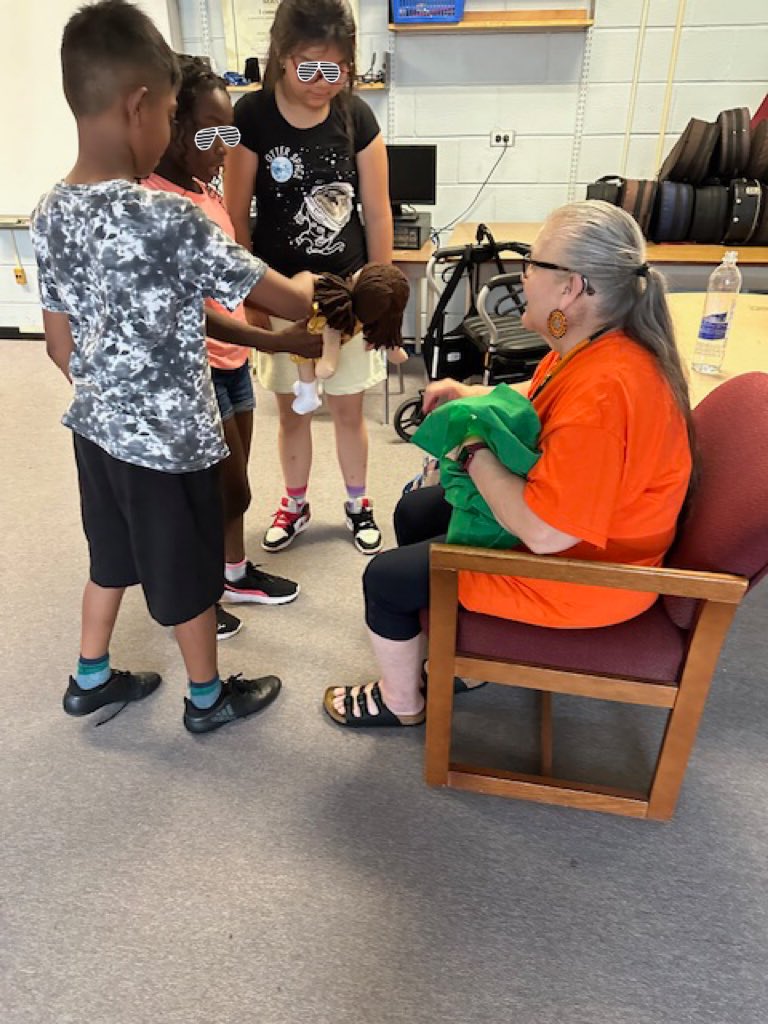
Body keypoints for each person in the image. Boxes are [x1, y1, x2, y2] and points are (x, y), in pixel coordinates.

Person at [31, 0, 319, 735]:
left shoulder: (50, 210)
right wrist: (317, 288)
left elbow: (57, 344)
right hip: (171, 444)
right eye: (167, 113)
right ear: (140, 107)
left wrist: (111, 399)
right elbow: (281, 297)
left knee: (110, 556)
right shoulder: (170, 219)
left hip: (94, 433)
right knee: (188, 576)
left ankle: (90, 677)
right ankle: (206, 698)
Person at [323, 200, 694, 728]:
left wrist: (471, 449)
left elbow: (545, 534)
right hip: (590, 545)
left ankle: (400, 702)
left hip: (585, 576)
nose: (523, 275)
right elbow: (542, 395)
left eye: (532, 264)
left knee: (384, 579)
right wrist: (470, 392)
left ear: (571, 286)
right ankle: (457, 653)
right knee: (415, 513)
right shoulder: (598, 346)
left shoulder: (607, 394)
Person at [144, 54, 315, 641]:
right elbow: (193, 317)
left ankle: (235, 572)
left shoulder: (203, 188)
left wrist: (261, 331)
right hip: (196, 371)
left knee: (236, 482)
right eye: (209, 134)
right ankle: (200, 594)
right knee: (212, 492)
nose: (224, 148)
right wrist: (275, 335)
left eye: (230, 133)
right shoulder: (161, 205)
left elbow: (236, 277)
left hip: (233, 363)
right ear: (171, 129)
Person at [224, 0, 394, 556]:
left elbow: (378, 209)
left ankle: (358, 502)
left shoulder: (357, 117)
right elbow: (237, 208)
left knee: (347, 408)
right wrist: (248, 296)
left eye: (336, 68)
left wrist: (380, 292)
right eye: (308, 67)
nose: (324, 81)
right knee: (292, 409)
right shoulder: (250, 117)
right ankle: (294, 502)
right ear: (281, 57)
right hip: (277, 291)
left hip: (345, 293)